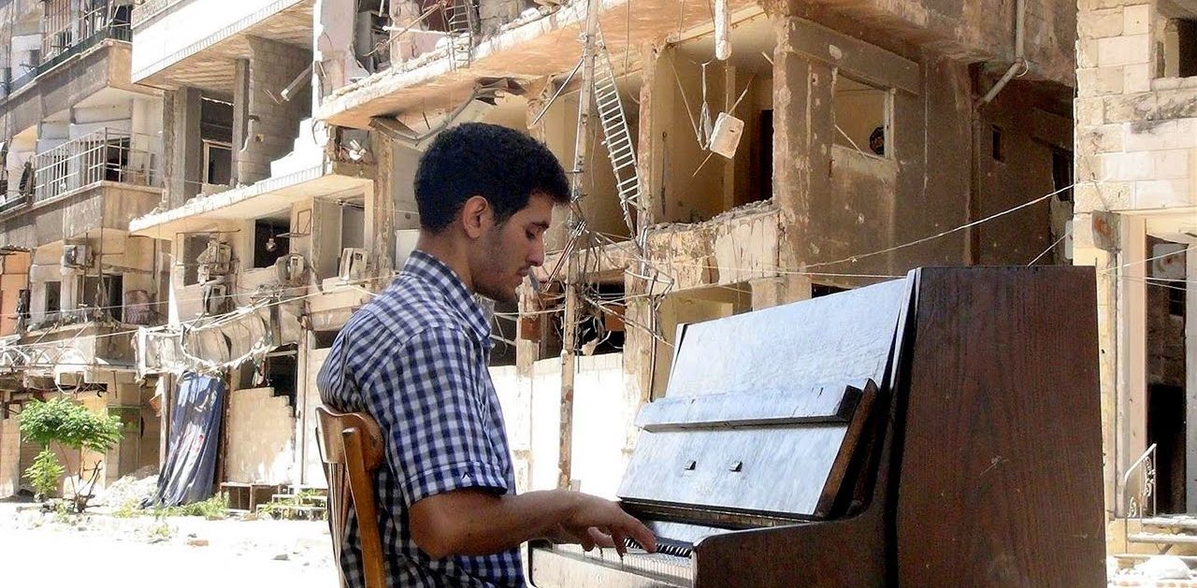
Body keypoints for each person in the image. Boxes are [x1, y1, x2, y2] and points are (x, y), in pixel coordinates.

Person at [317, 122, 656, 588]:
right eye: (531, 231)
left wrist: (557, 521)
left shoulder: (381, 319)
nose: (539, 256)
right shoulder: (429, 336)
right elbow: (448, 525)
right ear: (477, 218)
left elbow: (438, 518)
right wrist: (569, 503)